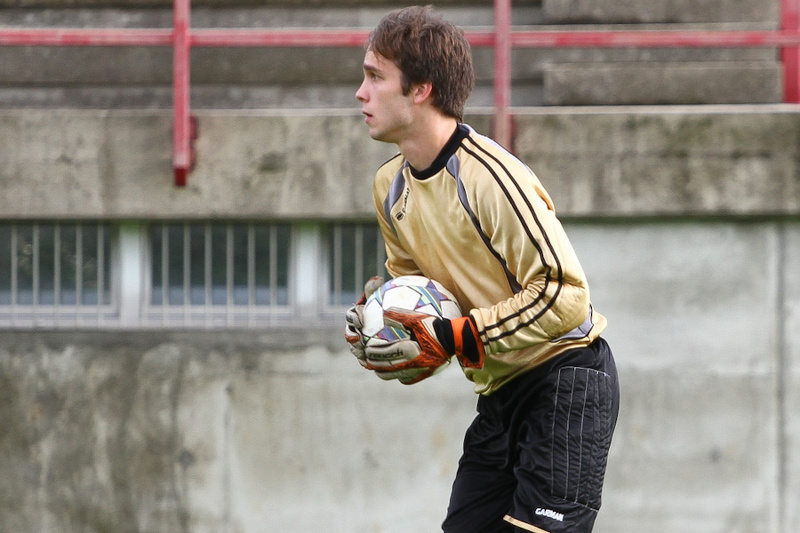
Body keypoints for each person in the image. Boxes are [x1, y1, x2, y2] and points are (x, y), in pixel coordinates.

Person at [345, 6, 620, 533]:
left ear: (420, 89)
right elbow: (423, 296)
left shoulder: (491, 179)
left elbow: (566, 295)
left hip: (566, 379)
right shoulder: (389, 187)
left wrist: (459, 335)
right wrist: (384, 328)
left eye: (375, 77)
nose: (361, 93)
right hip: (498, 393)